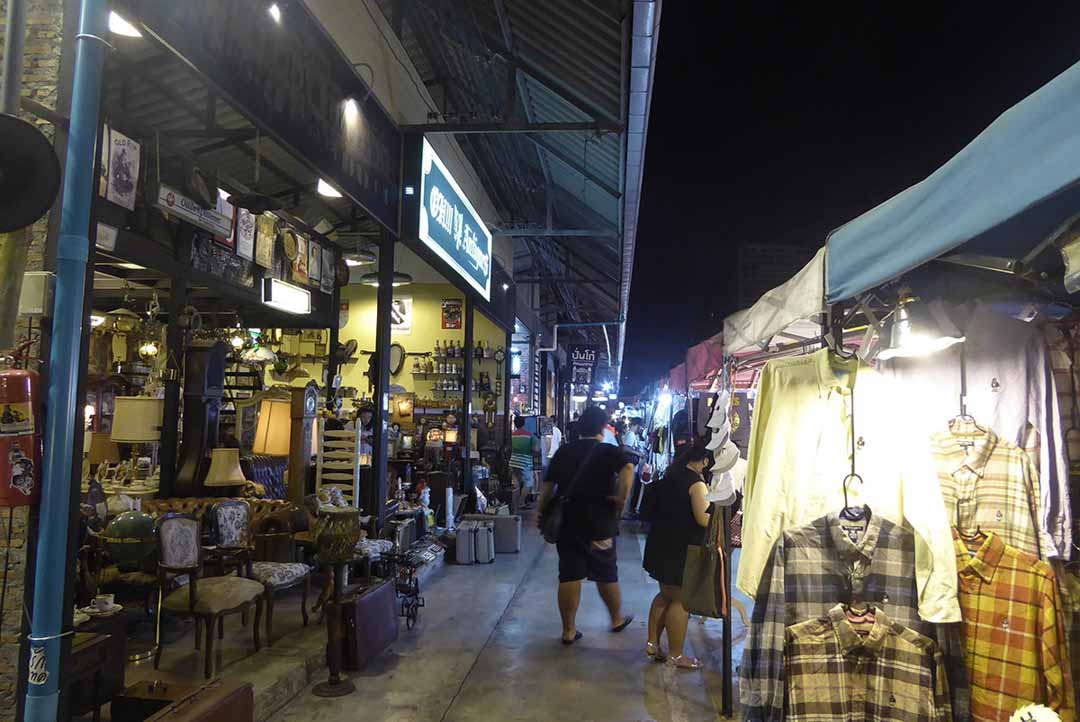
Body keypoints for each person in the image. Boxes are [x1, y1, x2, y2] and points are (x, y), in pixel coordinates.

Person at [539, 406, 635, 645]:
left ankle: (569, 631)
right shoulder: (608, 451)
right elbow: (629, 468)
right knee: (606, 573)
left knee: (570, 573)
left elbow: (548, 486)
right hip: (600, 521)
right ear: (602, 428)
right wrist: (622, 499)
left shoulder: (564, 451)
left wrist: (540, 512)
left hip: (569, 520)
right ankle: (615, 619)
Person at [642, 441, 712, 669]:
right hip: (681, 549)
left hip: (660, 544)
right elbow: (703, 518)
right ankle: (676, 655)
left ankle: (652, 644)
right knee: (681, 600)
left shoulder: (671, 475)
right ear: (703, 460)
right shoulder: (696, 484)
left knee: (665, 594)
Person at [510, 416, 539, 504]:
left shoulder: (512, 435)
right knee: (529, 483)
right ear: (524, 423)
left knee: (516, 483)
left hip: (513, 461)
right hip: (525, 462)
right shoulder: (530, 435)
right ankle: (520, 502)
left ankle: (514, 503)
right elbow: (536, 449)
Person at [541, 415, 563, 481]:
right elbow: (559, 444)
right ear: (556, 422)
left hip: (548, 455)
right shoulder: (558, 431)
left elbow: (548, 442)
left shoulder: (547, 429)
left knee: (546, 476)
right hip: (555, 454)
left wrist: (546, 453)